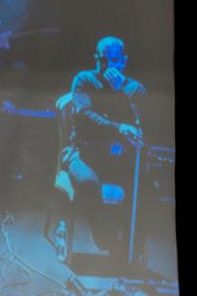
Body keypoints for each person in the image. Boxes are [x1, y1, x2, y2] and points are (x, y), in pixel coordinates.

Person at [63, 36, 146, 259]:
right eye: (103, 60)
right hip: (84, 153)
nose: (109, 66)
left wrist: (120, 93)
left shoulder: (134, 89)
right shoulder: (84, 80)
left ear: (124, 61)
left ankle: (131, 250)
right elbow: (85, 118)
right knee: (89, 183)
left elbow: (144, 122)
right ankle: (105, 238)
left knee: (146, 187)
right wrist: (119, 127)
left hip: (119, 158)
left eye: (115, 60)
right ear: (97, 59)